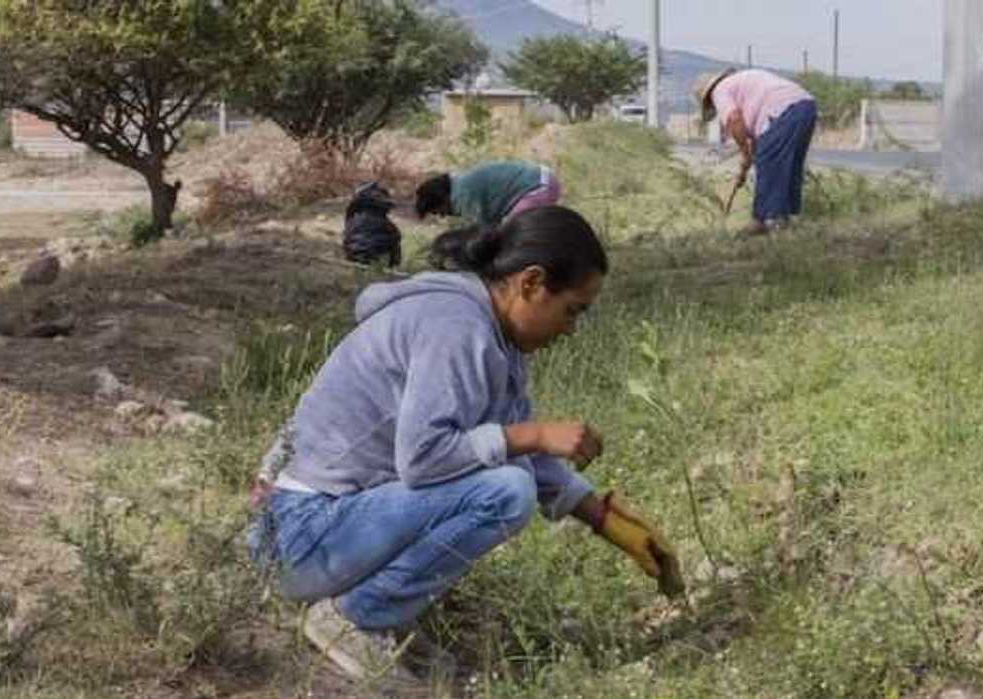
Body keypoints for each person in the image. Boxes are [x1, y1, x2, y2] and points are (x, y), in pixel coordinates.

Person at [249, 205, 683, 692]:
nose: (571, 329)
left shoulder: (492, 332)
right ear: (531, 283)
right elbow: (425, 459)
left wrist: (610, 523)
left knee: (507, 476)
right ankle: (357, 618)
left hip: (323, 529)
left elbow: (511, 448)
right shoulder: (457, 327)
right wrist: (534, 434)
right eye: (572, 310)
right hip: (298, 536)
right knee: (505, 492)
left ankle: (380, 614)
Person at [694, 68, 819, 236]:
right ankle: (783, 218)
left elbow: (734, 118)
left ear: (708, 98)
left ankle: (766, 220)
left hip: (783, 111)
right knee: (789, 164)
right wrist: (745, 166)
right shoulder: (740, 83)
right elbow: (755, 138)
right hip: (806, 106)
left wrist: (745, 152)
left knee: (769, 163)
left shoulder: (720, 91)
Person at [414, 160, 561, 227]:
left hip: (537, 187)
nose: (441, 215)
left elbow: (483, 233)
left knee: (513, 233)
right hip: (542, 178)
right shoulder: (461, 184)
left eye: (437, 211)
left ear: (441, 199)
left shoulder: (462, 197)